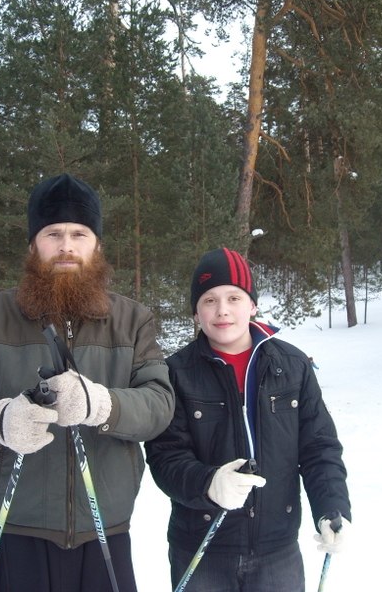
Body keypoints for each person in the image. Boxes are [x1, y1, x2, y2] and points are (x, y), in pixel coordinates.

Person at [0, 173, 175, 592]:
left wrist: (103, 405)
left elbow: (159, 404)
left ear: (96, 245)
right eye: (53, 233)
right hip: (15, 525)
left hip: (105, 525)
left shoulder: (132, 320)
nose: (67, 245)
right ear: (34, 245)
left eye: (79, 234)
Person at [145, 248, 351, 592]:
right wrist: (208, 483)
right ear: (196, 312)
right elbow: (165, 457)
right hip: (202, 547)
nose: (222, 310)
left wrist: (332, 507)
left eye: (233, 297)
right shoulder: (175, 373)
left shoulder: (292, 366)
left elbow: (319, 448)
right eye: (209, 300)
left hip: (277, 551)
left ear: (252, 305)